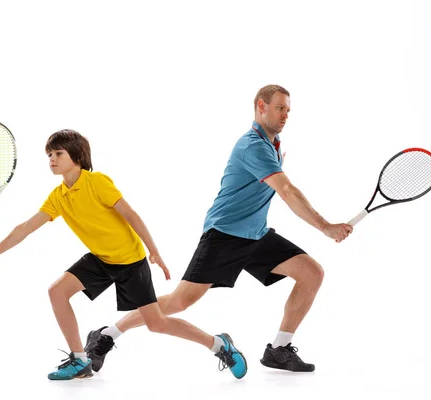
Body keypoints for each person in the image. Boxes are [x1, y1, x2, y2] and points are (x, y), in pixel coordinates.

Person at [84, 85, 353, 373]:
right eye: (279, 108)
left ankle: (279, 349)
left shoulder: (272, 145)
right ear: (261, 106)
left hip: (256, 235)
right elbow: (286, 192)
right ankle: (106, 335)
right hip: (224, 236)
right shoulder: (254, 145)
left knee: (312, 272)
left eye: (288, 109)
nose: (286, 114)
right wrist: (325, 227)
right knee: (179, 301)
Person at [0, 129, 248, 380]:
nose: (52, 159)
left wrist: (153, 251)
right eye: (49, 155)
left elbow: (131, 214)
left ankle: (219, 344)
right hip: (100, 259)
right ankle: (80, 360)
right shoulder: (58, 196)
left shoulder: (97, 182)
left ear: (78, 156)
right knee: (57, 291)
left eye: (58, 153)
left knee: (156, 324)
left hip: (131, 261)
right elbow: (27, 227)